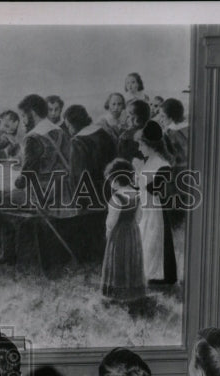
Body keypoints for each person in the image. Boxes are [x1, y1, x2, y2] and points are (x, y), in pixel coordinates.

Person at [0, 94, 71, 265]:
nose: (23, 121)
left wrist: (15, 183)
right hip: (63, 191)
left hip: (42, 195)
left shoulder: (33, 137)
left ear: (33, 113)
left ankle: (10, 254)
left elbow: (26, 176)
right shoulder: (59, 131)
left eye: (24, 116)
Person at [134, 120, 178, 285]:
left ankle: (155, 276)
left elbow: (158, 190)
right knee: (144, 240)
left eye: (141, 145)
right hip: (145, 208)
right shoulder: (149, 161)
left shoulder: (162, 164)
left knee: (153, 242)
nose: (139, 149)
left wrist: (139, 173)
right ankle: (144, 274)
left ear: (150, 145)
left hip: (156, 210)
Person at [100, 159, 145, 303]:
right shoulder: (137, 195)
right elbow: (138, 217)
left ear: (116, 180)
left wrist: (108, 231)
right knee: (131, 259)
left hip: (119, 234)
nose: (110, 183)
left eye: (110, 180)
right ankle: (133, 291)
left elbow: (111, 221)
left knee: (118, 259)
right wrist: (132, 226)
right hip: (133, 232)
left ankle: (117, 293)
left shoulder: (116, 198)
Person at [63, 104, 117, 207]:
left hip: (91, 196)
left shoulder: (78, 142)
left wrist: (78, 201)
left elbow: (78, 176)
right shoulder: (103, 134)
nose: (69, 130)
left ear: (75, 124)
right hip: (109, 190)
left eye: (69, 126)